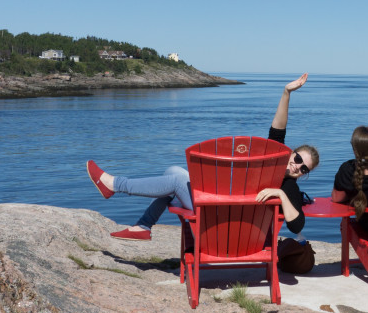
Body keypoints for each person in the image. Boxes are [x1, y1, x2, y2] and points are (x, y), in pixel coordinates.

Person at [87, 74, 319, 240]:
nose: (298, 166)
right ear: (291, 152)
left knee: (177, 181)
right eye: (298, 159)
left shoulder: (289, 188)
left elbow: (297, 225)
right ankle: (143, 226)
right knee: (173, 172)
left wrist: (279, 193)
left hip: (224, 222)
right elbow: (278, 130)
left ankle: (115, 184)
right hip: (220, 208)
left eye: (304, 169)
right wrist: (286, 92)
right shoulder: (274, 157)